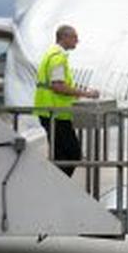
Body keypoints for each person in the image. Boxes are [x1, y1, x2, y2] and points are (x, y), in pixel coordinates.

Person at [33, 25, 100, 177]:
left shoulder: (52, 54)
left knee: (60, 155)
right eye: (74, 37)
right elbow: (58, 86)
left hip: (51, 112)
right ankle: (57, 185)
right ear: (64, 37)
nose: (77, 41)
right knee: (72, 154)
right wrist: (86, 94)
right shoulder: (58, 58)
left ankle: (56, 184)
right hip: (56, 114)